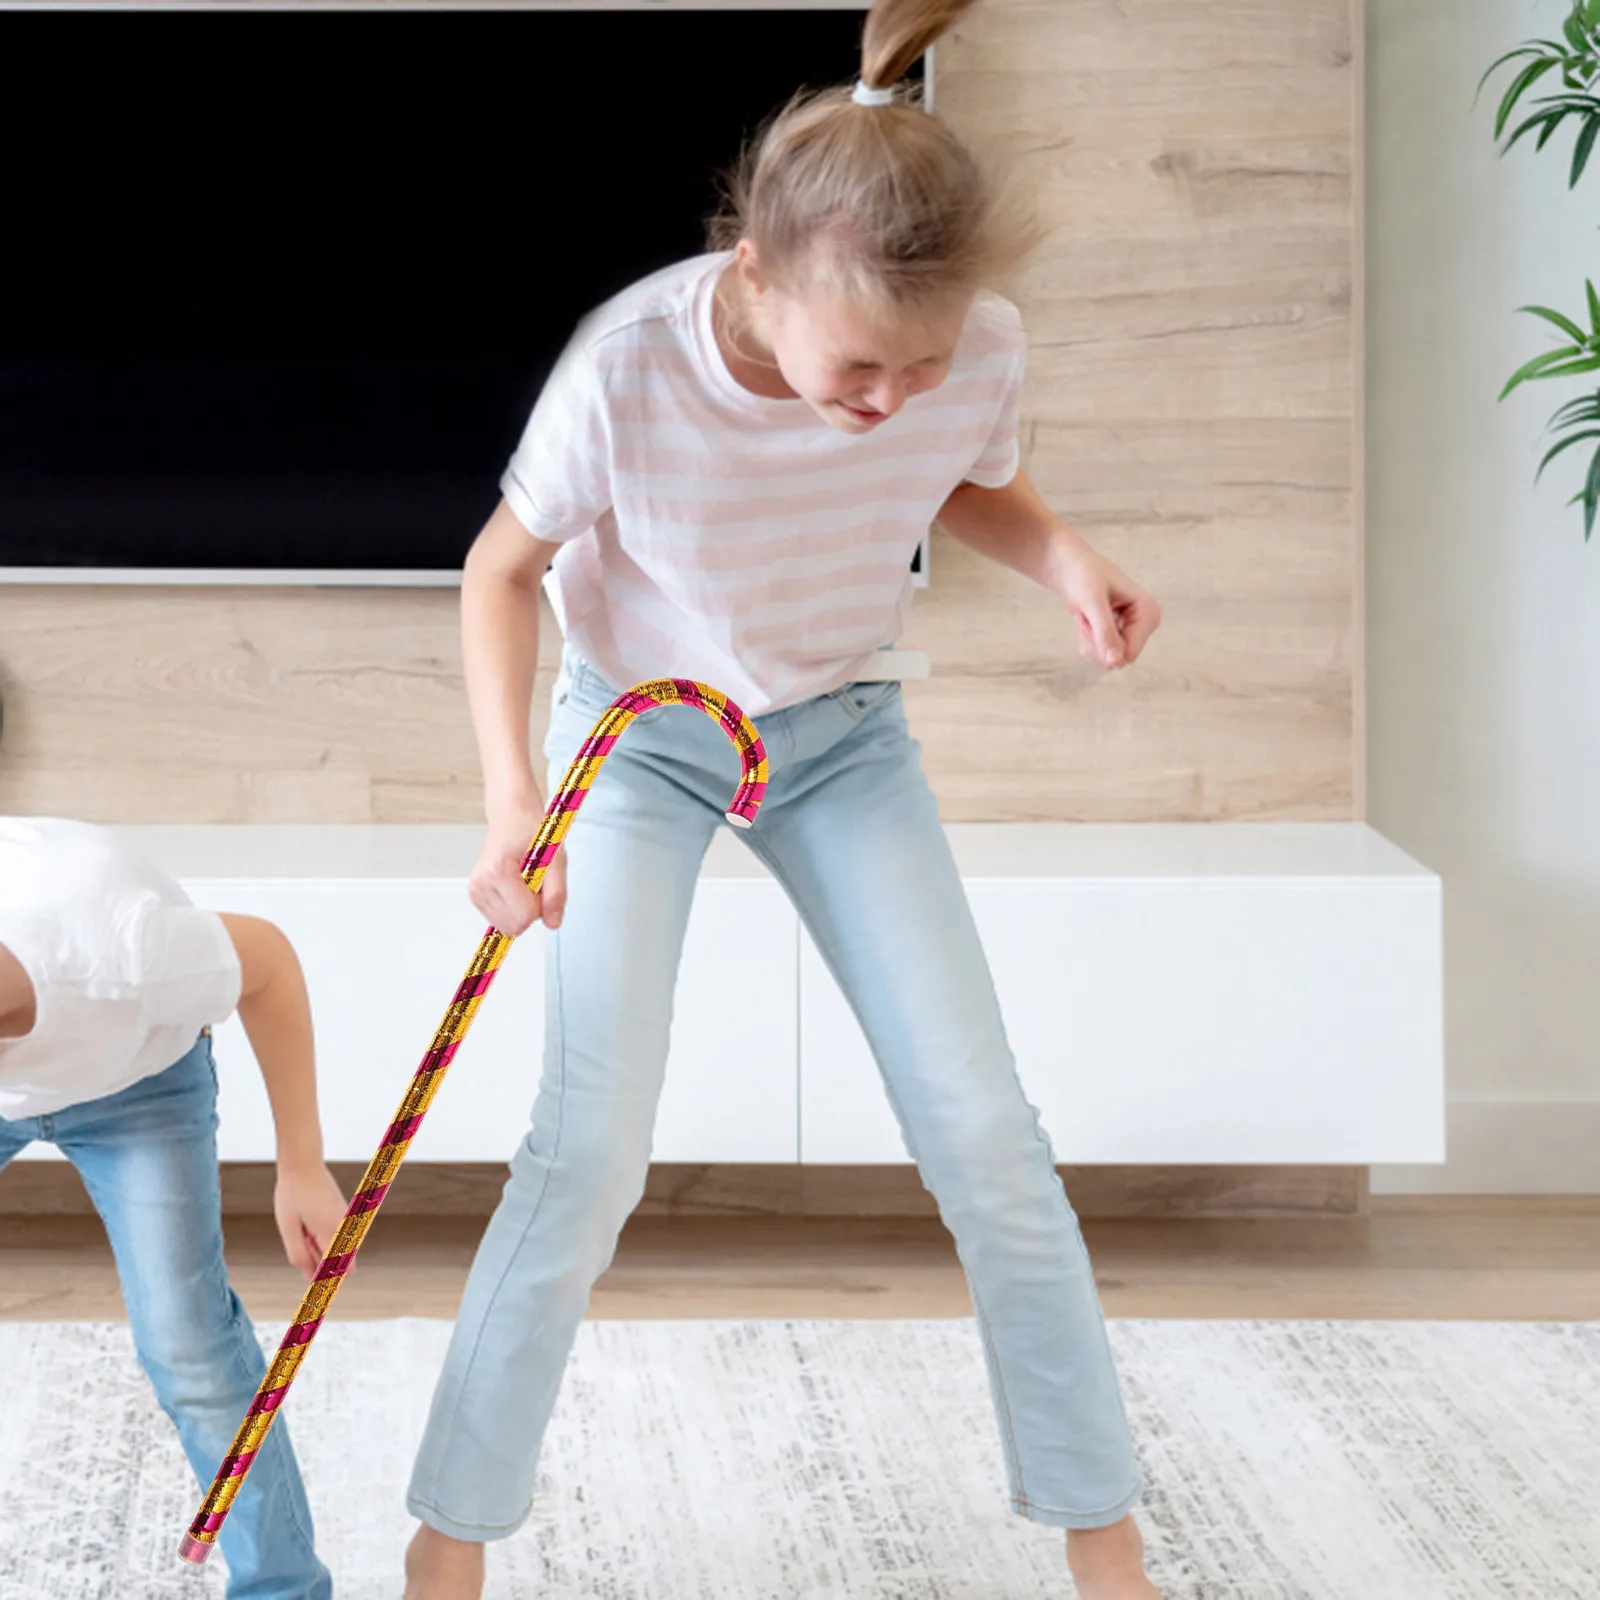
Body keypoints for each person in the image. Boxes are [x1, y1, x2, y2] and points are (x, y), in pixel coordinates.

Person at [404, 2, 1165, 1596]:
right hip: (637, 738)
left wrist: (1063, 554)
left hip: (839, 735)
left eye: (927, 359)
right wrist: (506, 802)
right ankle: (449, 1544)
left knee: (985, 1137)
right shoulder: (629, 364)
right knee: (589, 1147)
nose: (892, 397)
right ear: (755, 275)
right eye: (858, 366)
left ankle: (1106, 1547)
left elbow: (963, 468)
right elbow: (503, 568)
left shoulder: (975, 348)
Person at [0, 816, 346, 1600]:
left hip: (138, 1084)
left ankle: (283, 1588)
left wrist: (301, 1164)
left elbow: (269, 964)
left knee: (185, 1342)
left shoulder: (120, 950)